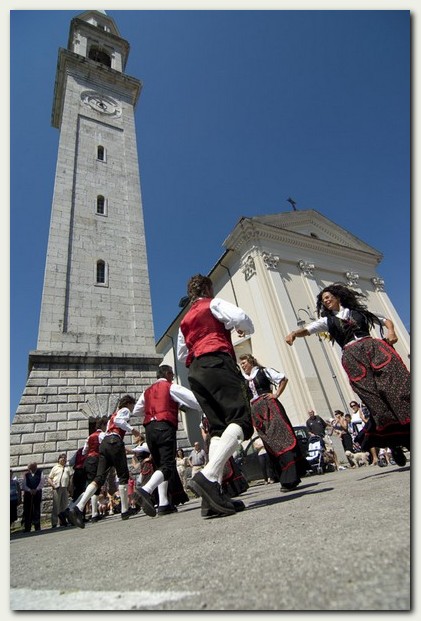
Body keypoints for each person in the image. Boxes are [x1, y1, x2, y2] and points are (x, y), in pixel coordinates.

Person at [285, 282, 410, 466]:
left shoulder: (359, 312)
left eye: (328, 297)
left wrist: (391, 332)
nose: (325, 300)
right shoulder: (326, 321)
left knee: (395, 392)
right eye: (323, 299)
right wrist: (294, 333)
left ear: (338, 297)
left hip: (373, 349)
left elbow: (385, 321)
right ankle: (393, 445)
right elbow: (307, 329)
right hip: (352, 357)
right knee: (376, 403)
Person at [177, 273, 254, 518]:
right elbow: (242, 318)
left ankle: (212, 499)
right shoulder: (213, 303)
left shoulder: (185, 320)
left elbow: (181, 355)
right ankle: (209, 477)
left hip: (196, 371)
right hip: (218, 361)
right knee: (241, 420)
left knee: (219, 429)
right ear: (208, 289)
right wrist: (242, 328)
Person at [132, 364, 202, 517]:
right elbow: (192, 399)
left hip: (149, 429)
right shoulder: (170, 387)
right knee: (168, 466)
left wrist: (153, 411)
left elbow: (137, 411)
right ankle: (146, 490)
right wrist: (205, 405)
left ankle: (163, 503)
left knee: (160, 466)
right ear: (169, 373)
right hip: (164, 426)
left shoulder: (147, 391)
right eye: (172, 374)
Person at [68, 395, 141, 528]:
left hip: (105, 445)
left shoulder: (110, 418)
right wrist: (133, 430)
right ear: (128, 403)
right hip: (115, 441)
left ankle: (78, 507)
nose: (132, 408)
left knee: (98, 478)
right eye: (132, 405)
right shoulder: (124, 411)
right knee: (123, 476)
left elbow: (109, 429)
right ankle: (125, 510)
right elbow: (120, 421)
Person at [239, 353, 308, 491]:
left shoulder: (264, 371)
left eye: (244, 362)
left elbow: (283, 379)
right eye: (241, 364)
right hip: (257, 413)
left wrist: (275, 394)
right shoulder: (244, 380)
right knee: (270, 443)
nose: (243, 366)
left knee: (282, 438)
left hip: (271, 408)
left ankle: (290, 478)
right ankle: (283, 476)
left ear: (251, 361)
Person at [81, 416, 108, 522]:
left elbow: (84, 451)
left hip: (88, 461)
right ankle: (94, 513)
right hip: (97, 461)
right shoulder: (102, 435)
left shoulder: (90, 436)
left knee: (92, 484)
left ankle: (94, 512)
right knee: (96, 484)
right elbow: (106, 447)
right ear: (102, 425)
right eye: (105, 425)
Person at [47, 454, 72, 528]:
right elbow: (49, 478)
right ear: (59, 459)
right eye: (62, 458)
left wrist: (70, 488)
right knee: (56, 506)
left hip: (65, 487)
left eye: (65, 459)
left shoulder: (67, 468)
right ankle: (54, 523)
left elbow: (70, 478)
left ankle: (63, 521)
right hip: (57, 488)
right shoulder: (55, 467)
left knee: (64, 505)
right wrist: (53, 485)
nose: (63, 460)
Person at [21, 462, 44, 532]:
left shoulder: (40, 473)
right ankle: (27, 527)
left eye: (31, 468)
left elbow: (42, 482)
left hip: (37, 493)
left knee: (36, 509)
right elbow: (24, 484)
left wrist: (36, 489)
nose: (30, 469)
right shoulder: (26, 474)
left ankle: (37, 526)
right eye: (29, 468)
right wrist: (29, 490)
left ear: (35, 467)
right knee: (28, 510)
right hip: (28, 494)